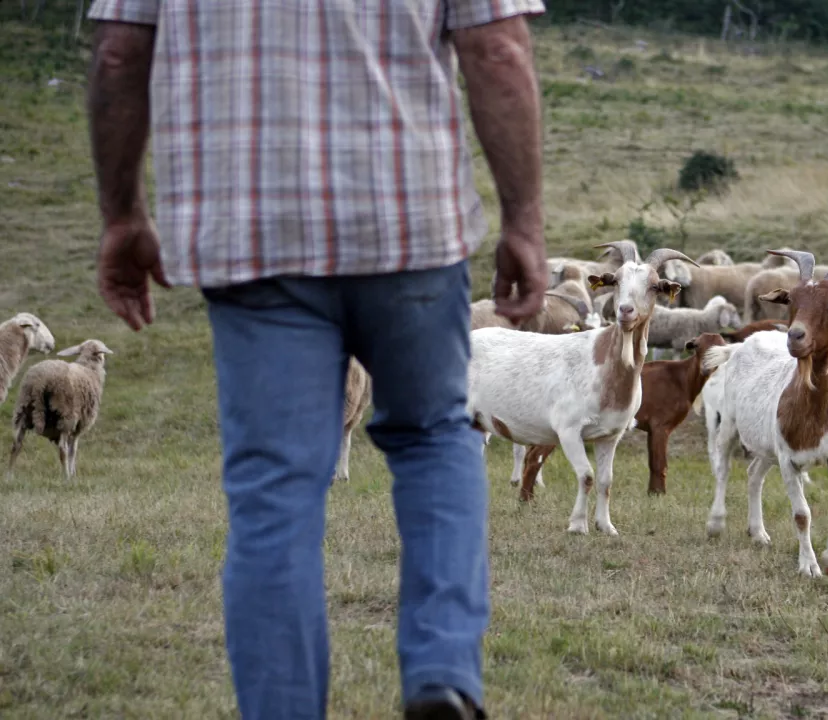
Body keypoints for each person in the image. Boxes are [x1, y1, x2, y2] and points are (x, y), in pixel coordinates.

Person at [84, 0, 546, 717]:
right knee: (433, 437)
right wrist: (524, 222)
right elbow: (498, 52)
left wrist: (121, 214)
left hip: (252, 236)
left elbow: (119, 51)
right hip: (409, 226)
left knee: (274, 485)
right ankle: (443, 672)